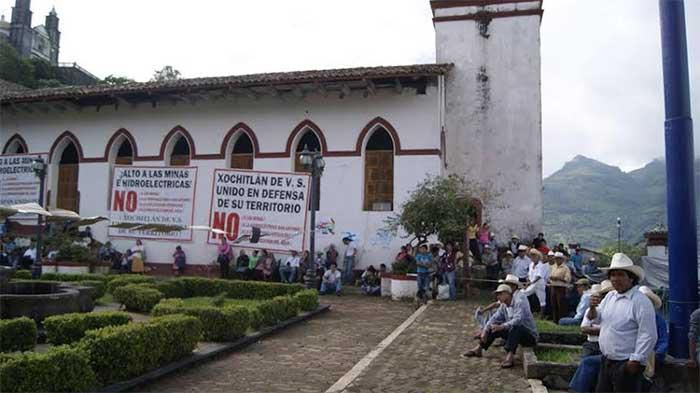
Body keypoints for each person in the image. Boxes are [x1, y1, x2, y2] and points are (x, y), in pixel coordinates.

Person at [587, 253, 657, 393]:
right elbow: (595, 318)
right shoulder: (610, 297)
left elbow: (648, 334)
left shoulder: (640, 301)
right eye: (613, 275)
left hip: (626, 362)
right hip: (607, 360)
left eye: (620, 275)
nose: (615, 279)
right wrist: (592, 307)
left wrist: (635, 360)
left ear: (631, 278)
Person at [463, 284, 538, 368]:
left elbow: (518, 320)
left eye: (500, 294)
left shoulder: (519, 302)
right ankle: (479, 348)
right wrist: (485, 330)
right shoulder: (504, 306)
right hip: (513, 332)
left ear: (507, 294)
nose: (498, 297)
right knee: (493, 326)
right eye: (497, 295)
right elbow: (495, 318)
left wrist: (502, 326)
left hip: (529, 336)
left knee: (516, 327)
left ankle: (510, 357)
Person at [638, 286, 668, 388]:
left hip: (652, 354)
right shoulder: (632, 317)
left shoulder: (659, 320)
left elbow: (663, 341)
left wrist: (656, 353)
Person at [549, 251, 571, 323]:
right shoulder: (553, 267)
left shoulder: (565, 268)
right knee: (553, 304)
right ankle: (555, 320)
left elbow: (567, 279)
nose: (557, 260)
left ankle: (561, 320)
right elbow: (550, 276)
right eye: (556, 259)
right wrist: (552, 278)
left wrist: (558, 278)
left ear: (562, 259)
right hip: (553, 286)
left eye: (559, 259)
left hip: (561, 287)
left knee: (560, 304)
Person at [522, 249, 547, 314]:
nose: (533, 258)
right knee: (523, 294)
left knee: (542, 300)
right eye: (532, 256)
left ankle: (542, 315)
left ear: (538, 257)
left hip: (539, 285)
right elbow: (529, 275)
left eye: (534, 256)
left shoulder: (541, 265)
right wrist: (528, 281)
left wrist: (531, 282)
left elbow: (539, 276)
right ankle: (525, 310)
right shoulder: (531, 265)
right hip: (532, 284)